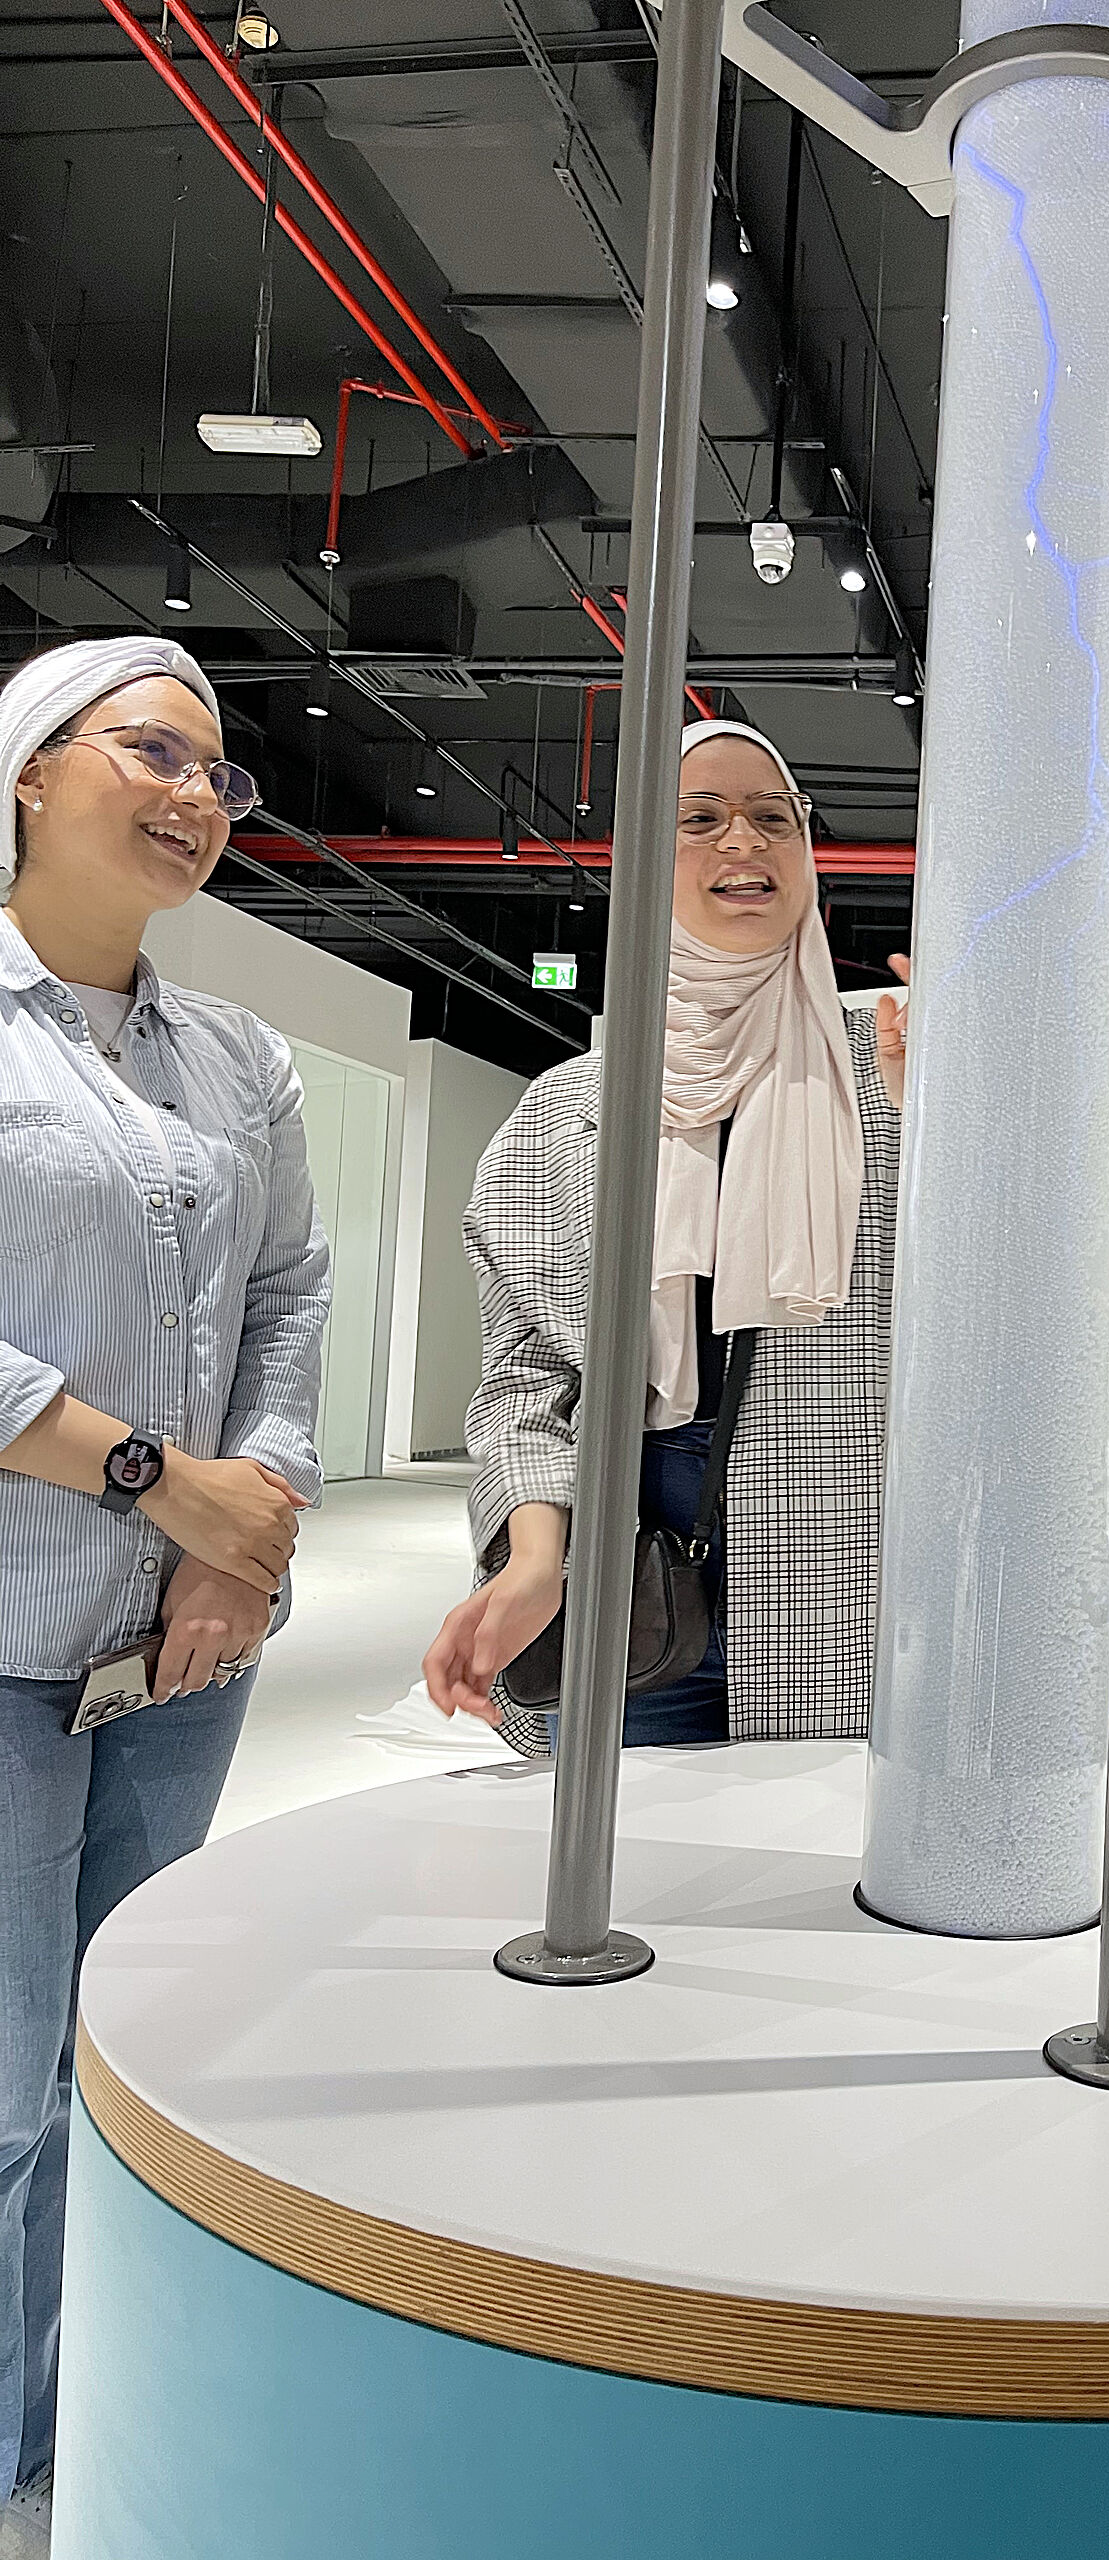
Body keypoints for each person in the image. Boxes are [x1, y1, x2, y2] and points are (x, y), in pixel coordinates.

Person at [0, 636, 329, 2556]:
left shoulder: (241, 1059)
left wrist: (243, 1529)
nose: (200, 795)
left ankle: (77, 2408)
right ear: (31, 772)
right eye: (156, 752)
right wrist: (151, 1474)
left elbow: (292, 1295)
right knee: (1, 2088)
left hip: (184, 1646)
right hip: (7, 1627)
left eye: (222, 773)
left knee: (114, 2050)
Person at [424, 718, 904, 1753]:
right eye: (700, 819)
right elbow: (527, 1378)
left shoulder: (893, 1080)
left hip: (855, 1597)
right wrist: (533, 1556)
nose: (744, 841)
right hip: (627, 1592)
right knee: (630, 1849)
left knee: (817, 1848)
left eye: (773, 818)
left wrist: (951, 1132)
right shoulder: (567, 1112)